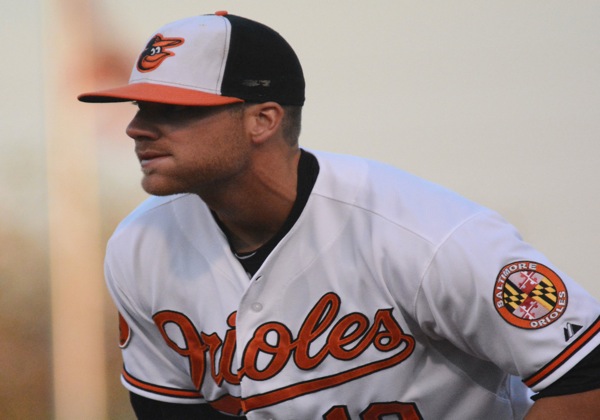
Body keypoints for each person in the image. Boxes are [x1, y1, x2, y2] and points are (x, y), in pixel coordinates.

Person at [78, 11, 600, 419]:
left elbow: (585, 372)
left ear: (263, 119)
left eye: (173, 109)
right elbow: (172, 411)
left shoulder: (423, 233)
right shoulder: (141, 246)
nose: (138, 128)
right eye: (140, 108)